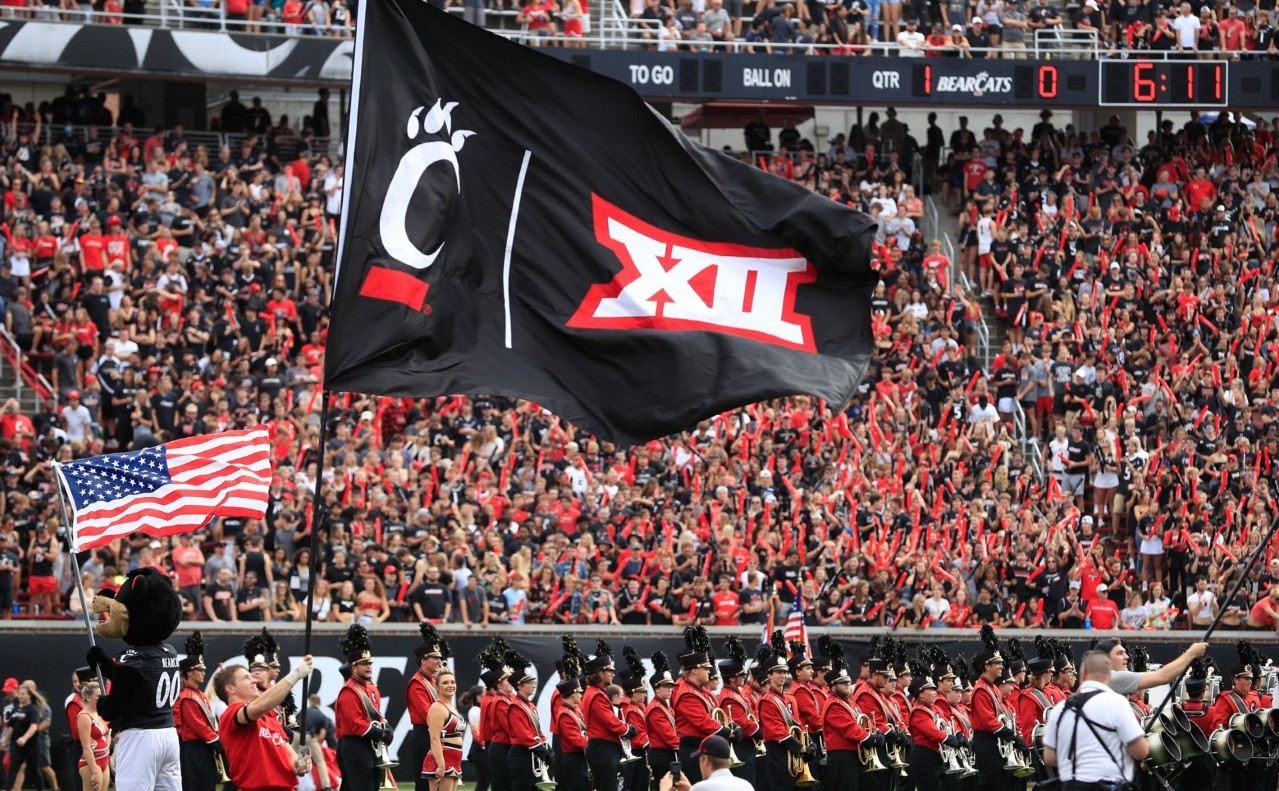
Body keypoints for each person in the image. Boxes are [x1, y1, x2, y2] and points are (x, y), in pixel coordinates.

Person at [1042, 651, 1148, 786]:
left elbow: (1049, 757)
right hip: (1107, 783)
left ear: (1083, 673)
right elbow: (1141, 751)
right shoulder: (1117, 702)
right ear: (1110, 675)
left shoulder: (1060, 708)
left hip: (1072, 784)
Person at [212, 656, 314, 791]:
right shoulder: (230, 715)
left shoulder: (272, 722)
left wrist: (302, 765)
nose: (254, 680)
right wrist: (295, 675)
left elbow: (292, 759)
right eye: (246, 678)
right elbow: (260, 706)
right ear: (230, 689)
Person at [334, 625, 389, 791]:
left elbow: (377, 714)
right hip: (356, 745)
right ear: (353, 667)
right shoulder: (349, 690)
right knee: (361, 786)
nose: (369, 667)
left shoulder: (372, 688)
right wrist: (380, 733)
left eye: (370, 663)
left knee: (371, 786)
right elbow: (355, 723)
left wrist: (386, 727)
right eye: (364, 664)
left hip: (370, 745)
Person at [173, 633, 223, 791]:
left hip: (202, 745)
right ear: (189, 673)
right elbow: (197, 725)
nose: (204, 673)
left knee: (207, 783)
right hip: (193, 748)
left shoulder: (198, 694)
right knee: (197, 784)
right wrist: (215, 740)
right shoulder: (187, 697)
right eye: (200, 670)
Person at [408, 624, 446, 791]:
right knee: (426, 783)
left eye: (439, 657)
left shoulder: (433, 681)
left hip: (436, 734)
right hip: (425, 735)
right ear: (423, 660)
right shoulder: (417, 683)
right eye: (434, 657)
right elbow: (427, 714)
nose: (439, 661)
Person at [505, 654, 548, 791]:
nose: (533, 685)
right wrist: (541, 749)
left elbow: (537, 730)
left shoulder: (530, 705)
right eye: (530, 683)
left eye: (533, 682)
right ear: (520, 686)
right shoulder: (515, 706)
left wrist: (546, 744)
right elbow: (524, 735)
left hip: (531, 754)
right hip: (521, 754)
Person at [421, 669, 465, 791]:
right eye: (445, 683)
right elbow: (434, 739)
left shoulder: (451, 707)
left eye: (452, 682)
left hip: (454, 758)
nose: (450, 685)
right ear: (437, 687)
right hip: (443, 759)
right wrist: (441, 765)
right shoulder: (437, 708)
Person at [657, 735, 753, 791]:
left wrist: (664, 789)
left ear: (706, 760)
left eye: (700, 759)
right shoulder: (747, 786)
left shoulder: (701, 787)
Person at [74, 682, 109, 791]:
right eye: (98, 696)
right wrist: (94, 771)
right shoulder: (84, 716)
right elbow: (86, 747)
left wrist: (106, 747)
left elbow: (106, 734)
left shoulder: (99, 713)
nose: (101, 698)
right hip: (92, 763)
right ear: (88, 697)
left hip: (104, 759)